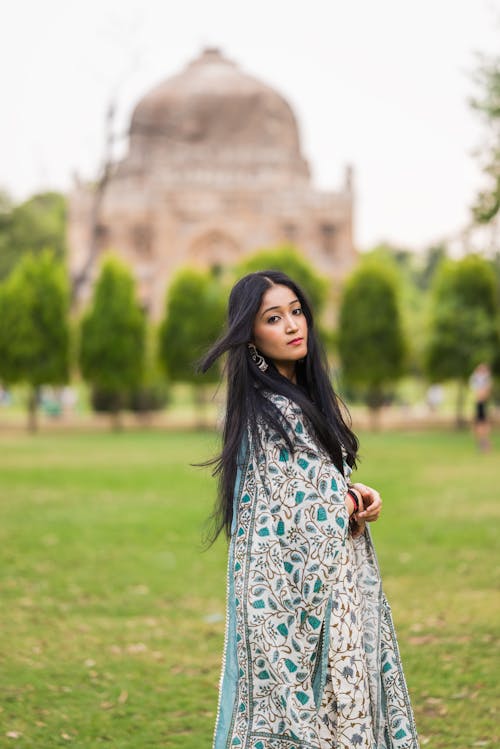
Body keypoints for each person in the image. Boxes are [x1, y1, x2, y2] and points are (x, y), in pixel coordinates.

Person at [201, 271, 419, 749]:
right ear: (250, 336)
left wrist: (356, 494)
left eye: (296, 311)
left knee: (347, 706)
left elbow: (312, 480)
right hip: (297, 595)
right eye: (273, 318)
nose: (292, 325)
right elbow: (278, 502)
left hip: (337, 582)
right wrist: (336, 502)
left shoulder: (302, 398)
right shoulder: (263, 410)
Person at [470, 362, 493, 451]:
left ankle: (484, 444)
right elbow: (480, 393)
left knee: (483, 425)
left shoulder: (484, 379)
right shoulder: (479, 379)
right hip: (480, 404)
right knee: (481, 425)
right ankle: (483, 444)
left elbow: (485, 393)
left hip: (482, 404)